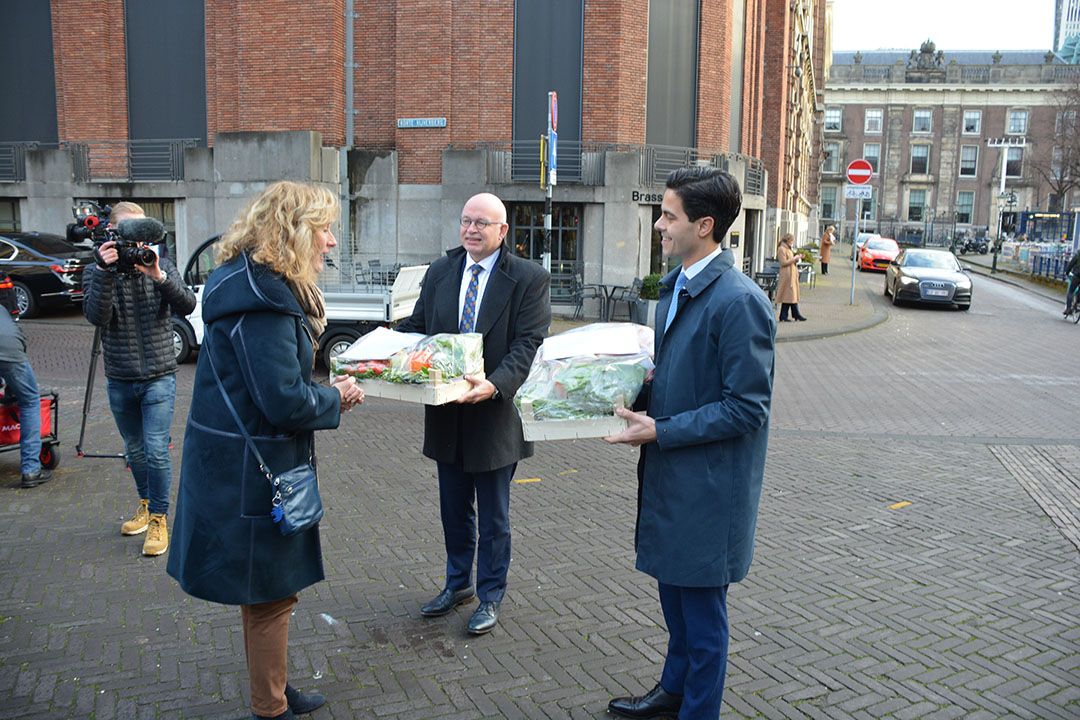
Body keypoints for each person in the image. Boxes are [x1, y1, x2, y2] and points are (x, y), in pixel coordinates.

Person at [166, 181, 365, 720]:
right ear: (293, 231)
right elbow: (283, 401)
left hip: (231, 466)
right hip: (253, 473)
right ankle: (270, 706)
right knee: (273, 594)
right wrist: (336, 397)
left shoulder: (242, 278)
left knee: (262, 592)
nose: (330, 242)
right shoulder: (266, 302)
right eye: (323, 229)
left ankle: (271, 688)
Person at [604, 166, 776, 720]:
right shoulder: (679, 285)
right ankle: (672, 692)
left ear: (704, 226)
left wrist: (663, 429)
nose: (659, 225)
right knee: (675, 602)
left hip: (707, 489)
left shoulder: (739, 300)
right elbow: (681, 371)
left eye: (668, 216)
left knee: (703, 621)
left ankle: (695, 711)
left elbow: (747, 407)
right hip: (674, 478)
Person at [397, 192, 550, 636]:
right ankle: (457, 583)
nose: (470, 229)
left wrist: (495, 385)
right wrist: (384, 344)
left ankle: (490, 595)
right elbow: (421, 328)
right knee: (453, 509)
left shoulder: (528, 278)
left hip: (495, 415)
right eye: (465, 220)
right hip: (447, 414)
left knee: (494, 517)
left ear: (502, 231)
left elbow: (529, 344)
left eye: (481, 222)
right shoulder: (441, 271)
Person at [82, 202, 197, 556]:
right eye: (128, 234)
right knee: (134, 450)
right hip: (120, 376)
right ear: (112, 234)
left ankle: (160, 518)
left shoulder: (158, 263)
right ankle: (146, 503)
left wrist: (158, 276)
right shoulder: (97, 270)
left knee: (156, 449)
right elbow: (96, 316)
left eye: (141, 233)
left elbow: (188, 305)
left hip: (159, 375)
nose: (136, 243)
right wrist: (104, 270)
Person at [0, 311, 50, 488]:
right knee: (29, 401)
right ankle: (30, 470)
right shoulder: (2, 310)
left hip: (9, 347)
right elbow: (19, 340)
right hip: (11, 350)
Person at [775, 233, 807, 322]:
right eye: (792, 241)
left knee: (790, 295)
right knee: (789, 295)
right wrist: (794, 259)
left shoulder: (788, 249)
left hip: (791, 274)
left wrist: (797, 258)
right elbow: (783, 262)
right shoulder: (782, 249)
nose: (792, 243)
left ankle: (790, 315)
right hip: (787, 275)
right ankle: (790, 315)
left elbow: (790, 261)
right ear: (788, 240)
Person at [1064, 250, 1080, 316]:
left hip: (1077, 276)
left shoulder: (1078, 255)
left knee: (1071, 292)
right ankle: (1077, 303)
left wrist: (1067, 272)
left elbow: (1071, 264)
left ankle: (1068, 309)